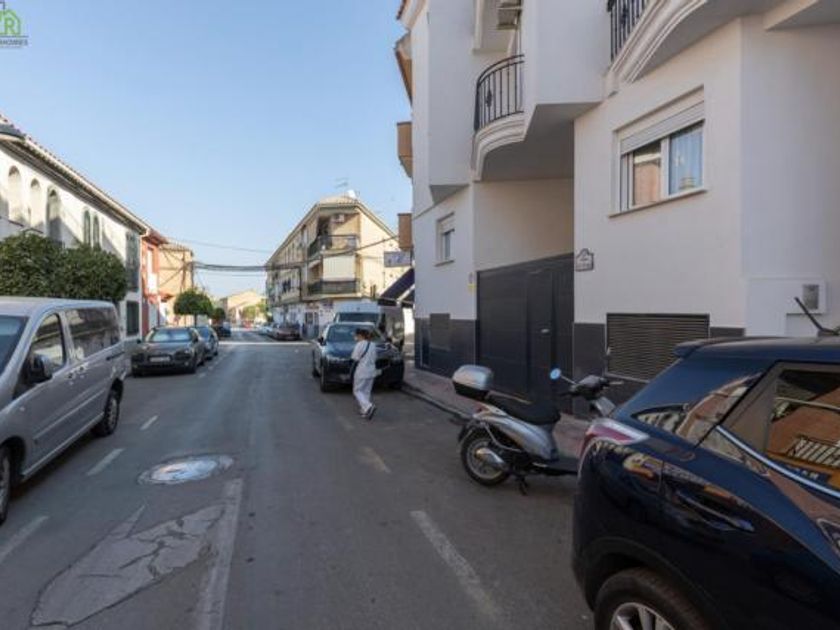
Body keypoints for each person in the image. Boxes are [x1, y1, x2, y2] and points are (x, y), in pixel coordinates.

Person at [351, 327, 378, 419]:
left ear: (360, 336)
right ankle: (365, 410)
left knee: (357, 391)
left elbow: (354, 358)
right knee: (366, 391)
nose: (355, 337)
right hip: (372, 371)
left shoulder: (359, 345)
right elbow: (375, 357)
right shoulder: (373, 345)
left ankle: (368, 406)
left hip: (362, 371)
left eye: (356, 336)